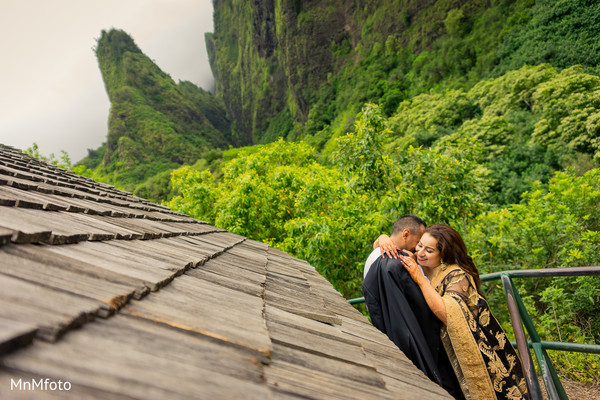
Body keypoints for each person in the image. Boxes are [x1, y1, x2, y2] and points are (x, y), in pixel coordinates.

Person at [399, 224, 529, 400]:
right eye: (420, 245)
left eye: (429, 250)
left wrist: (420, 280)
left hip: (477, 349)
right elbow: (387, 242)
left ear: (443, 254)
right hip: (442, 352)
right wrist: (383, 239)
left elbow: (447, 313)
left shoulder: (456, 275)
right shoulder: (425, 265)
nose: (420, 252)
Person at [362, 216, 464, 399]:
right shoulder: (395, 263)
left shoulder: (381, 255)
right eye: (418, 244)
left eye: (426, 248)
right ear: (406, 234)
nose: (417, 251)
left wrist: (382, 238)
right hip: (420, 340)